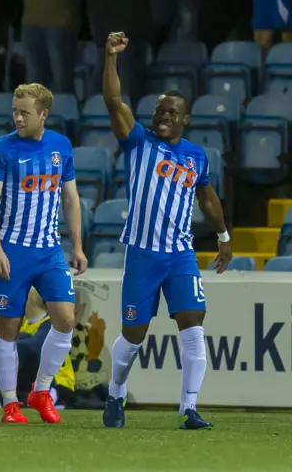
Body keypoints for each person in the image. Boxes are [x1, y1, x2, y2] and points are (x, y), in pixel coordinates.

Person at [101, 32, 233, 430]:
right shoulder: (137, 141)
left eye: (171, 112)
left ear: (185, 120)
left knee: (193, 323)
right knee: (133, 337)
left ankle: (188, 409)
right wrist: (110, 58)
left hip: (179, 254)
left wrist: (224, 238)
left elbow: (207, 198)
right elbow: (112, 100)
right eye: (159, 110)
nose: (163, 116)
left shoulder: (196, 156)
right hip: (141, 253)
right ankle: (116, 395)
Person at [0, 83, 88, 424]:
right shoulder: (1, 149)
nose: (18, 118)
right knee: (8, 327)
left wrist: (78, 245)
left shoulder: (61, 145)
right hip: (12, 248)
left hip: (49, 249)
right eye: (15, 111)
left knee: (66, 319)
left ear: (44, 113)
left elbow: (70, 198)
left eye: (25, 112)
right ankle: (10, 402)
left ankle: (41, 391)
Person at [0, 288, 80, 409]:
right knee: (5, 344)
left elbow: (34, 347)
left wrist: (2, 344)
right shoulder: (23, 323)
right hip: (29, 382)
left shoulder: (51, 323)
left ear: (31, 299)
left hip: (56, 385)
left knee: (11, 345)